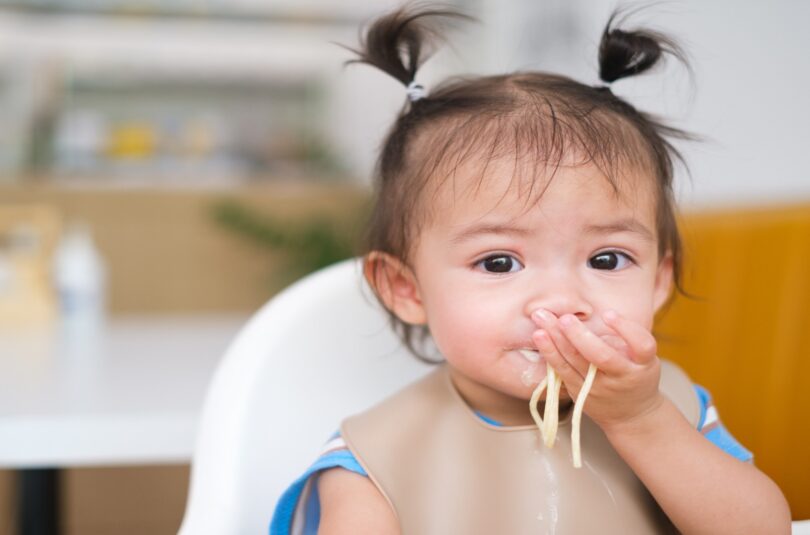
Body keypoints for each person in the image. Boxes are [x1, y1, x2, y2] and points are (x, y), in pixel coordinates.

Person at [271, 6, 791, 534]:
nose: (562, 299)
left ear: (658, 281)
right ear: (407, 289)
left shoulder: (675, 411)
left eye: (606, 259)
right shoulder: (373, 459)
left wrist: (641, 423)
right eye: (499, 262)